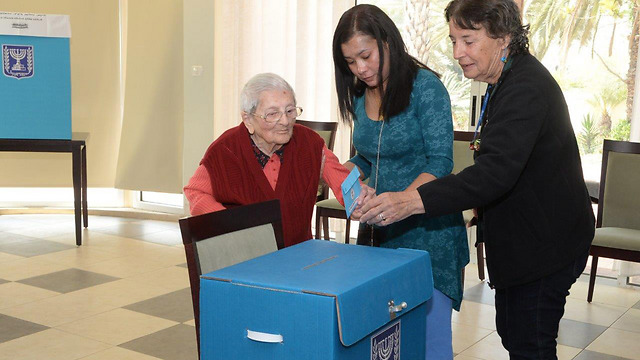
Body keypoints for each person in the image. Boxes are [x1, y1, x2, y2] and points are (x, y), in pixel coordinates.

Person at [359, 0, 595, 358]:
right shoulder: (505, 78)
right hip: (528, 240)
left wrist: (408, 201)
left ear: (503, 36)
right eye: (453, 40)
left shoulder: (526, 87)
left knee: (530, 343)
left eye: (467, 40)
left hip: (546, 247)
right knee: (515, 335)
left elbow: (494, 173)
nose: (457, 52)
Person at [332, 5, 469, 359]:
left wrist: (403, 202)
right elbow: (366, 156)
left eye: (366, 55)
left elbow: (441, 161)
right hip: (378, 232)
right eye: (350, 62)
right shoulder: (361, 94)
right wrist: (342, 175)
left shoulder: (426, 87)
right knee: (382, 342)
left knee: (428, 342)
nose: (360, 69)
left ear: (388, 42)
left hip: (429, 234)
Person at [184, 72, 360, 248]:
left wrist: (360, 203)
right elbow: (195, 192)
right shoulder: (226, 150)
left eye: (290, 111)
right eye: (272, 114)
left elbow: (344, 183)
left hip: (297, 253)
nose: (284, 121)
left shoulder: (309, 143)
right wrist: (230, 224)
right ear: (248, 119)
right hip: (244, 255)